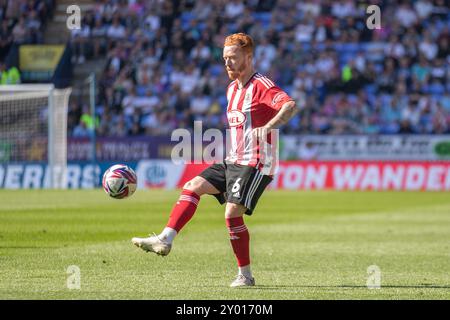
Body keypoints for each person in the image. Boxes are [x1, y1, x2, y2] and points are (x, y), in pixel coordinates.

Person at [132, 33, 298, 287]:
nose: (227, 63)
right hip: (233, 160)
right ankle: (165, 238)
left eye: (233, 58)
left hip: (257, 162)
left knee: (232, 213)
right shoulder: (232, 89)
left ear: (249, 57)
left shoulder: (261, 84)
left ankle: (245, 275)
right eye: (224, 59)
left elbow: (289, 106)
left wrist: (268, 127)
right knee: (192, 186)